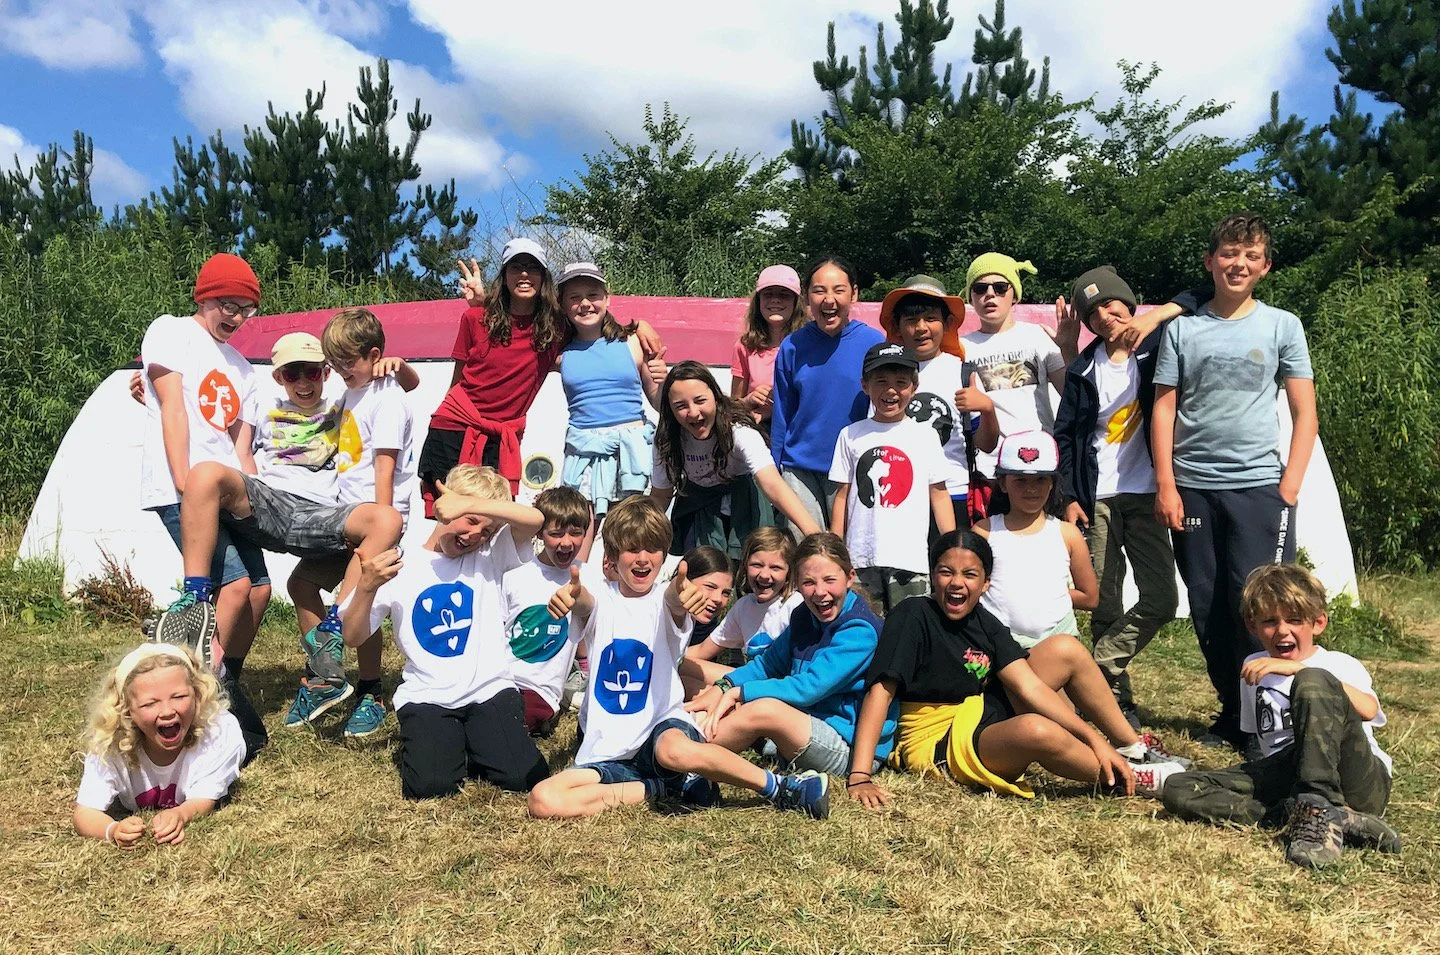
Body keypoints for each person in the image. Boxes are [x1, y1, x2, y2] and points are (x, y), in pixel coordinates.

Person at [526, 496, 831, 820]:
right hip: (606, 748)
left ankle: (782, 787)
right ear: (613, 556)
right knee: (543, 800)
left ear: (664, 554)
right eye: (633, 549)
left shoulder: (666, 600)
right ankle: (663, 787)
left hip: (662, 730)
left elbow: (672, 601)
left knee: (673, 749)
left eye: (653, 549)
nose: (643, 559)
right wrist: (572, 596)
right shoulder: (601, 599)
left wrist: (680, 592)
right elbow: (586, 603)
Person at [846, 531, 1188, 808]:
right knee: (1036, 730)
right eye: (946, 571)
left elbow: (1030, 687)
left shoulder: (986, 623)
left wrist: (1093, 738)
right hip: (937, 740)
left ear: (986, 583)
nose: (956, 583)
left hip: (978, 711)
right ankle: (1130, 775)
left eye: (969, 574)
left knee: (1065, 649)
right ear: (933, 575)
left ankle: (1130, 748)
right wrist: (860, 774)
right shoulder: (913, 614)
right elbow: (881, 690)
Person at [1151, 213, 1319, 751]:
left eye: (1250, 256)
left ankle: (1273, 707)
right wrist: (1166, 484)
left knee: (1262, 603)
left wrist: (1288, 485)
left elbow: (1304, 410)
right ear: (1210, 261)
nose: (1238, 264)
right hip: (1193, 486)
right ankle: (1233, 709)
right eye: (1228, 253)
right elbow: (1163, 409)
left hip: (1260, 489)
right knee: (1207, 602)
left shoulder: (1281, 325)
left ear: (1265, 267)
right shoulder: (1182, 329)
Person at [1163, 564, 1400, 868]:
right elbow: (1259, 740)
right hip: (1289, 770)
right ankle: (1302, 813)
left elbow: (1368, 710)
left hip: (1357, 778)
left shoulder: (1337, 664)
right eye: (1270, 622)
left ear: (1318, 623)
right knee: (1179, 789)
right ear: (1252, 626)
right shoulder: (1254, 666)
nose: (1283, 630)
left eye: (1295, 620)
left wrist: (1300, 671)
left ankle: (1318, 805)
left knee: (1313, 682)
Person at [342, 465, 550, 799]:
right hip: (428, 694)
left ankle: (477, 742)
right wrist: (365, 587)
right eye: (468, 520)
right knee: (430, 786)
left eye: (486, 530)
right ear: (443, 507)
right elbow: (352, 637)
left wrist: (473, 508)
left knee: (525, 776)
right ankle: (461, 743)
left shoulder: (489, 555)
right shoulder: (400, 563)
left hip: (489, 689)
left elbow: (535, 520)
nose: (474, 535)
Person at [419, 240, 664, 508]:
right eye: (516, 267)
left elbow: (591, 315)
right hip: (453, 427)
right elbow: (457, 382)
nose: (524, 274)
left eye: (532, 267)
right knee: (448, 520)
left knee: (493, 522)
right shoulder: (475, 319)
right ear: (504, 275)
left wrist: (640, 325)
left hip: (503, 439)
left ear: (543, 277)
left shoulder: (553, 329)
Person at [1054, 266, 1178, 730]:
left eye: (1111, 304)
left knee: (1161, 597)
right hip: (1098, 495)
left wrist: (1159, 315)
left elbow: (1198, 293)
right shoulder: (1084, 367)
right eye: (1093, 311)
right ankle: (1115, 700)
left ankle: (1098, 667)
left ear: (1130, 303)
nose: (1105, 315)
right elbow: (1065, 436)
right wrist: (1068, 496)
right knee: (1103, 599)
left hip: (1149, 492)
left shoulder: (1160, 347)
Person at [138, 253, 269, 685]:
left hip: (229, 490)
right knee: (232, 586)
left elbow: (241, 447)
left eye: (245, 308)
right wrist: (184, 482)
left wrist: (259, 506)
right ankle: (195, 680)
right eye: (227, 305)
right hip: (187, 487)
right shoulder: (171, 331)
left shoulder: (245, 370)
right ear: (205, 297)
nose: (236, 316)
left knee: (258, 590)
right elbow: (173, 407)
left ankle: (224, 675)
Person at [288, 308, 419, 738]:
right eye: (335, 363)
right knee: (301, 584)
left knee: (359, 610)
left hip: (376, 521)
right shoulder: (356, 393)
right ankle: (327, 673)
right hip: (345, 519)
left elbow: (385, 467)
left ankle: (370, 691)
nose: (341, 370)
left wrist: (382, 532)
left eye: (348, 361)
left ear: (374, 354)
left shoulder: (387, 399)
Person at [685, 532, 898, 780]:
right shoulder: (804, 615)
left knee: (764, 708)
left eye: (830, 580)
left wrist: (740, 692)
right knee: (714, 698)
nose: (820, 592)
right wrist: (725, 685)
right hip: (807, 723)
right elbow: (767, 664)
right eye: (808, 582)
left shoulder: (859, 630)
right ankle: (680, 738)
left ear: (850, 577)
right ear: (796, 582)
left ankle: (683, 758)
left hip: (847, 746)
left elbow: (809, 688)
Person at [73, 644, 248, 846]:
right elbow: (84, 812)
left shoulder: (217, 734)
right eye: (149, 704)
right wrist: (111, 830)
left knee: (252, 736)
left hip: (229, 732)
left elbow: (205, 799)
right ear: (127, 710)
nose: (167, 711)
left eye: (179, 697)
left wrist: (181, 814)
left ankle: (218, 665)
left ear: (197, 696)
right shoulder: (110, 746)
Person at [829, 343, 953, 611]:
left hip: (910, 560)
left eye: (901, 382)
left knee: (908, 630)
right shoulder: (850, 435)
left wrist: (952, 545)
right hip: (860, 560)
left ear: (914, 386)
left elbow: (939, 494)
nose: (891, 390)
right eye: (881, 382)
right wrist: (835, 550)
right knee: (864, 629)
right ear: (865, 385)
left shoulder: (925, 435)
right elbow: (842, 496)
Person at [650, 361, 821, 553]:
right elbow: (660, 494)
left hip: (744, 504)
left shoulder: (739, 431)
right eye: (680, 406)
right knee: (702, 569)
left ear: (716, 397)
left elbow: (772, 483)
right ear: (670, 410)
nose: (693, 413)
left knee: (751, 564)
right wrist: (642, 532)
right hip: (699, 508)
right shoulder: (667, 440)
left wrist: (813, 534)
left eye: (700, 401)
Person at [877, 275, 1000, 536]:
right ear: (898, 327)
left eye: (931, 319)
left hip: (954, 491)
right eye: (911, 320)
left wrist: (987, 409)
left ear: (947, 324)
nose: (921, 328)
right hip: (902, 494)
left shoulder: (962, 372)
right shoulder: (884, 376)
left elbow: (986, 444)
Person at [771, 256, 886, 534]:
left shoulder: (873, 344)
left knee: (846, 554)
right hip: (799, 470)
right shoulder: (792, 346)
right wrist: (775, 470)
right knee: (806, 553)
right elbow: (782, 413)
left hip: (853, 469)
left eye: (838, 290)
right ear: (807, 297)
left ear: (854, 293)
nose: (829, 299)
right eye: (819, 290)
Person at [958, 252, 1079, 516]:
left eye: (1000, 288)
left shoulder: (1036, 336)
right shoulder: (961, 348)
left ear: (1015, 295)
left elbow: (1073, 395)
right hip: (991, 470)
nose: (990, 295)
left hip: (1041, 465)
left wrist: (1069, 349)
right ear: (971, 297)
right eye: (980, 288)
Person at [555, 262, 664, 519]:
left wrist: (666, 382)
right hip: (583, 452)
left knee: (632, 529)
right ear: (562, 304)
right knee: (581, 527)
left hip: (633, 451)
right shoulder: (558, 353)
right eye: (574, 297)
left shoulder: (635, 341)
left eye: (593, 295)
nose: (585, 303)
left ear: (607, 298)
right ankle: (579, 564)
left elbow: (659, 401)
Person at [497, 484, 592, 736]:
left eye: (575, 533)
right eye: (556, 533)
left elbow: (593, 611)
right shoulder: (515, 575)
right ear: (539, 534)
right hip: (500, 680)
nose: (566, 542)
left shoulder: (589, 578)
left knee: (507, 727)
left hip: (539, 690)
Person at [684, 527, 803, 681]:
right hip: (752, 683)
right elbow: (702, 650)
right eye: (757, 565)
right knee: (684, 671)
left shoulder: (795, 606)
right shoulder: (744, 606)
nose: (764, 575)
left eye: (775, 568)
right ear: (745, 565)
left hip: (781, 686)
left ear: (789, 572)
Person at [731, 265, 807, 429]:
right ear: (758, 301)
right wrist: (750, 400)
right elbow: (733, 406)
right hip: (760, 433)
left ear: (796, 302)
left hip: (798, 432)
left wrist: (776, 409)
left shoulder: (809, 344)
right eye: (768, 294)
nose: (775, 300)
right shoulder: (744, 346)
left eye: (784, 295)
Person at [677, 545, 735, 647]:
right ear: (686, 580)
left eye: (725, 593)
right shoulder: (659, 613)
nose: (718, 599)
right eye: (710, 587)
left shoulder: (709, 628)